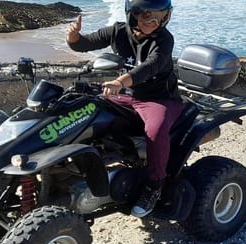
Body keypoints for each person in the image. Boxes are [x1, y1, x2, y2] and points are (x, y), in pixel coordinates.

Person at [65, 0, 183, 218]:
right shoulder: (118, 31)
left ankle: (155, 185)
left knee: (155, 130)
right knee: (84, 107)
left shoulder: (164, 39)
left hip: (158, 99)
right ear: (133, 14)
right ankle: (79, 166)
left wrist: (120, 81)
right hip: (125, 96)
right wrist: (73, 38)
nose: (152, 21)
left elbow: (152, 66)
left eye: (159, 15)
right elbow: (86, 43)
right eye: (146, 15)